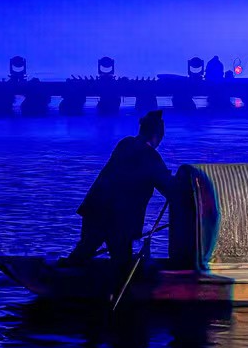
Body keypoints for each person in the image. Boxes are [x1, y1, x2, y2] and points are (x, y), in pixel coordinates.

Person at [63, 110, 178, 272]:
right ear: (158, 136)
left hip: (95, 207)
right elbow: (169, 188)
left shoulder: (125, 144)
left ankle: (68, 275)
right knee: (121, 261)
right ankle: (112, 289)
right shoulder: (150, 157)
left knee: (85, 249)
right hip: (119, 217)